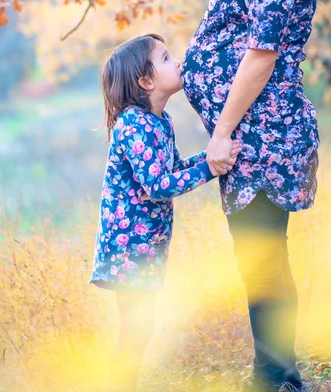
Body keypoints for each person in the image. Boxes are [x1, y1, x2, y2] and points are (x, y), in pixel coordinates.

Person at [183, 0, 320, 392]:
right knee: (267, 259)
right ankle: (279, 376)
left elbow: (261, 53)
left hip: (259, 137)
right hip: (263, 132)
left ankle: (274, 380)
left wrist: (220, 133)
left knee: (259, 263)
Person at [89, 33, 241, 392]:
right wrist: (210, 168)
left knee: (141, 329)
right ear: (146, 80)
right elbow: (158, 186)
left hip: (147, 247)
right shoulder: (132, 125)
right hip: (127, 250)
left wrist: (210, 156)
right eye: (167, 59)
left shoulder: (161, 121)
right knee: (135, 330)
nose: (177, 62)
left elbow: (171, 170)